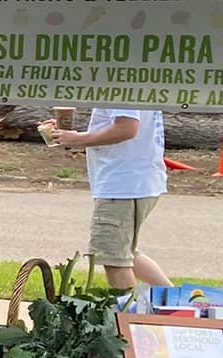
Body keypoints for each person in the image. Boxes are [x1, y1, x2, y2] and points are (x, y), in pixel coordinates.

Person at [48, 107, 170, 293]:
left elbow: (127, 128)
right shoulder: (137, 82)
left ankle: (128, 317)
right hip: (134, 183)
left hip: (123, 186)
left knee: (114, 260)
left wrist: (78, 139)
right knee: (127, 253)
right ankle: (180, 307)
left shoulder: (122, 83)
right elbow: (121, 125)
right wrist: (71, 135)